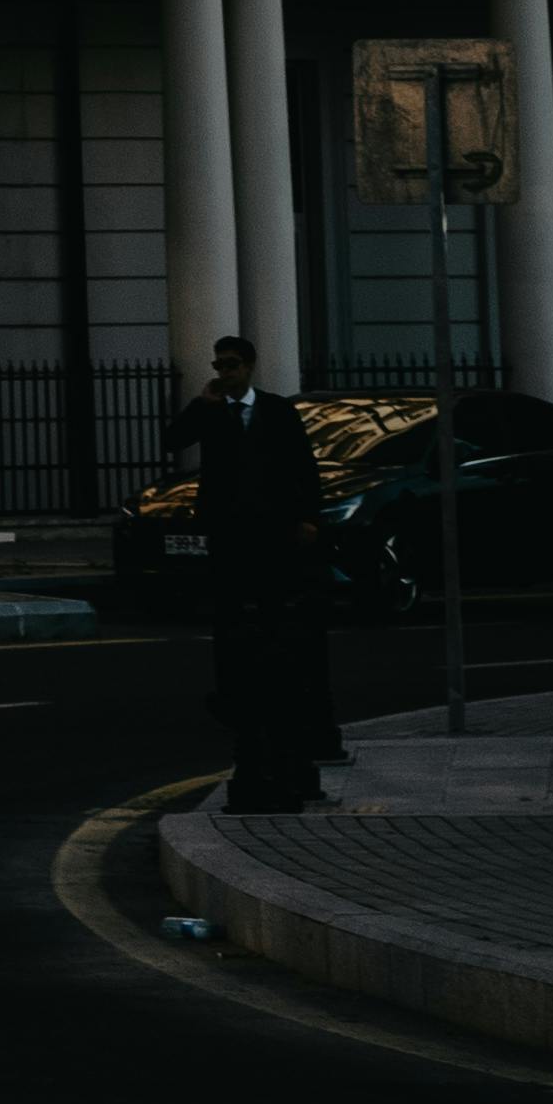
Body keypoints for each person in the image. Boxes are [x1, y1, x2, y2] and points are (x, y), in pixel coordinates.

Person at [169, 326, 340, 812]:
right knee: (234, 620)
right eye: (218, 366)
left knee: (276, 622)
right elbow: (173, 440)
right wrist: (201, 405)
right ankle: (240, 690)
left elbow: (302, 466)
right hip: (229, 535)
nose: (223, 374)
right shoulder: (212, 411)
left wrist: (308, 517)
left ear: (249, 367)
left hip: (272, 534)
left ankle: (279, 726)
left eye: (231, 366)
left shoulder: (277, 411)